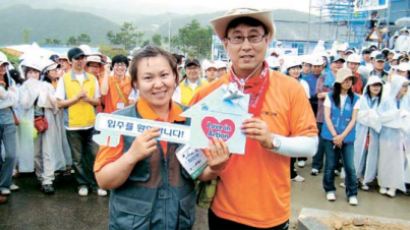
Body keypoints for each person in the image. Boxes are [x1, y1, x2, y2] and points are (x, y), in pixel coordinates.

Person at [190, 8, 318, 229]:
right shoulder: (206, 94)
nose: (246, 46)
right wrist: (213, 168)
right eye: (238, 38)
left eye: (254, 36)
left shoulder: (290, 88)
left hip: (272, 213)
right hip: (223, 211)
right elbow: (192, 158)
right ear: (226, 44)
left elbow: (310, 146)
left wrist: (273, 141)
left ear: (266, 40)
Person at [94, 45, 230, 230]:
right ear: (135, 83)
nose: (158, 84)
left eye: (164, 75)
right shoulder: (118, 122)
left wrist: (216, 167)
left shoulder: (192, 119)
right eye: (148, 78)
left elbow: (198, 172)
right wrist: (131, 156)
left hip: (179, 221)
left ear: (175, 77)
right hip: (133, 224)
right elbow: (104, 180)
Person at [55, 47, 106, 196]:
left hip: (91, 122)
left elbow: (97, 101)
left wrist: (86, 99)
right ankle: (82, 183)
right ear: (70, 61)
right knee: (77, 158)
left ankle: (97, 184)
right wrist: (76, 98)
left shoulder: (92, 78)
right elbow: (59, 103)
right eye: (77, 58)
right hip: (73, 124)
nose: (81, 60)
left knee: (94, 154)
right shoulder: (64, 79)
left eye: (83, 57)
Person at [321, 68, 360, 206]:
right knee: (330, 165)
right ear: (339, 82)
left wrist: (341, 136)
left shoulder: (356, 98)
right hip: (330, 136)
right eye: (345, 80)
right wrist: (335, 136)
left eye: (350, 80)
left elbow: (353, 120)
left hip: (347, 137)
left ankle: (352, 193)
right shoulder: (330, 96)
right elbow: (327, 117)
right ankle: (329, 189)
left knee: (350, 166)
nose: (348, 82)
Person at [378, 75, 410, 197]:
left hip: (401, 135)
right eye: (403, 86)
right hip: (387, 134)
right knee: (385, 160)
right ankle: (383, 184)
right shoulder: (387, 100)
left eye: (406, 86)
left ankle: (393, 186)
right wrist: (396, 114)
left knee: (398, 161)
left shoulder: (406, 100)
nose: (405, 89)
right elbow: (381, 116)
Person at [354, 76, 383, 191]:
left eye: (378, 85)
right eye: (373, 85)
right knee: (357, 155)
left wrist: (372, 116)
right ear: (369, 86)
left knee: (370, 157)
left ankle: (365, 179)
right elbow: (358, 116)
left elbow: (382, 117)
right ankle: (353, 178)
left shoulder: (382, 101)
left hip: (375, 134)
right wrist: (372, 116)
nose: (376, 88)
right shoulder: (361, 99)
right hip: (362, 132)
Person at [285, 59, 309, 181]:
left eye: (297, 68)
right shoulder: (282, 83)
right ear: (288, 70)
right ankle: (286, 172)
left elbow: (306, 102)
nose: (295, 71)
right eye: (292, 68)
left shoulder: (303, 83)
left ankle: (291, 172)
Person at [0, 52, 18, 196]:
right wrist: (8, 94)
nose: (2, 68)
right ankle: (3, 183)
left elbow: (14, 99)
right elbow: (6, 96)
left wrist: (8, 95)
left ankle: (5, 182)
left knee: (11, 154)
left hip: (8, 115)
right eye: (0, 65)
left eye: (4, 65)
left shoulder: (9, 79)